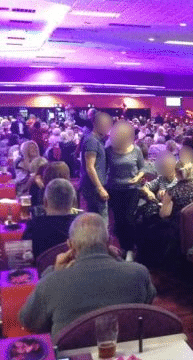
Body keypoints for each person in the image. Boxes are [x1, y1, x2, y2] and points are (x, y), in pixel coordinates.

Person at [19, 213, 156, 338]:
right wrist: (118, 260)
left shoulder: (50, 281)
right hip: (131, 358)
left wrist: (54, 271)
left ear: (70, 245)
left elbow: (28, 322)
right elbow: (147, 304)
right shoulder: (139, 273)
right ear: (109, 242)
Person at [106, 121, 145, 257]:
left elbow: (142, 168)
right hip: (114, 189)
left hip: (132, 189)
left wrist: (138, 177)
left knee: (129, 218)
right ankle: (124, 247)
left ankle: (131, 248)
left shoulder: (136, 150)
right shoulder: (108, 151)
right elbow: (104, 170)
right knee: (119, 220)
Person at [22, 178, 78, 259]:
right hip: (75, 270)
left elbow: (24, 257)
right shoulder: (82, 226)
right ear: (74, 202)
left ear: (45, 202)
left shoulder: (33, 226)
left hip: (42, 271)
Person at [79, 111, 113, 220]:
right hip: (93, 187)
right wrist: (100, 188)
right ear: (95, 124)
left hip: (95, 186)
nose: (108, 128)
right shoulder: (92, 141)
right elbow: (90, 167)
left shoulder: (98, 140)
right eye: (105, 124)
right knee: (102, 220)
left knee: (95, 219)